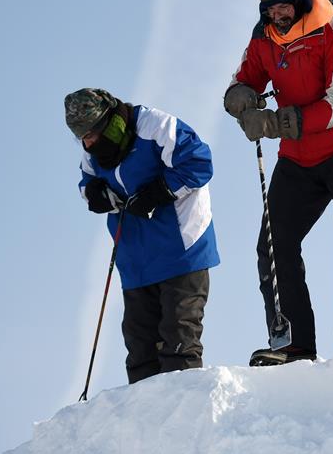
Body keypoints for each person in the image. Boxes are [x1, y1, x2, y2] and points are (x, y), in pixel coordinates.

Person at [223, 0, 333, 366]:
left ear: (301, 0)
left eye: (284, 7)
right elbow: (246, 76)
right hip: (299, 155)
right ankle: (293, 345)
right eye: (269, 9)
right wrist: (241, 95)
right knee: (274, 246)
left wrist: (277, 122)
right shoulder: (265, 37)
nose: (277, 16)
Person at [65, 88, 221, 383]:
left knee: (178, 341)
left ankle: (184, 417)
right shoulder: (92, 151)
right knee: (140, 353)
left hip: (181, 251)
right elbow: (86, 185)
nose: (87, 142)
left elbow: (199, 163)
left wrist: (157, 192)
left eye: (91, 134)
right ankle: (145, 423)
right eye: (80, 136)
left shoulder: (156, 127)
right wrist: (96, 195)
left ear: (109, 121)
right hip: (135, 261)